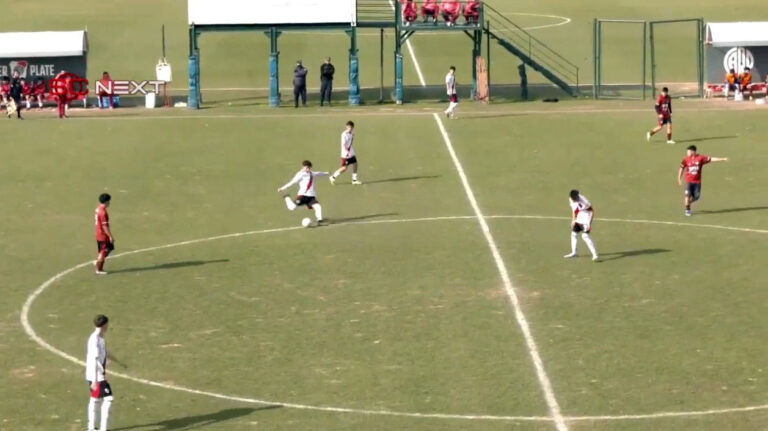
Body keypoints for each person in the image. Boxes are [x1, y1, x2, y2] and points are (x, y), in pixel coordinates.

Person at [85, 314, 120, 431]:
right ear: (105, 325)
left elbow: (103, 353)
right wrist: (95, 380)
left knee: (96, 399)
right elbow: (95, 359)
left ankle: (91, 427)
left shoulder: (99, 338)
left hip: (94, 375)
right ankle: (102, 429)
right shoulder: (95, 339)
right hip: (97, 376)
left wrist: (115, 360)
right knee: (108, 399)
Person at [677, 145, 728, 216]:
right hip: (688, 181)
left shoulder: (700, 158)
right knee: (687, 196)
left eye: (688, 151)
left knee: (696, 197)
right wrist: (679, 178)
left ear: (693, 151)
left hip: (697, 182)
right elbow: (681, 168)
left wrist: (722, 159)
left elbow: (711, 159)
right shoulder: (686, 159)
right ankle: (687, 209)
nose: (687, 153)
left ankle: (688, 203)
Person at [278, 160, 328, 225]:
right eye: (306, 167)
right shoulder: (300, 174)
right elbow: (292, 182)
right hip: (302, 196)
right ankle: (287, 197)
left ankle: (319, 221)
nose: (307, 169)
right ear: (303, 167)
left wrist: (327, 173)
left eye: (309, 168)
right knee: (292, 207)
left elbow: (318, 173)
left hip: (311, 197)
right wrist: (282, 188)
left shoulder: (311, 173)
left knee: (317, 206)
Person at [564, 190, 599, 261]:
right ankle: (574, 252)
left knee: (585, 236)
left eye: (576, 198)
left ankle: (595, 255)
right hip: (578, 218)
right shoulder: (570, 199)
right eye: (574, 199)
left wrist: (589, 223)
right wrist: (573, 220)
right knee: (574, 234)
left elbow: (591, 211)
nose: (575, 200)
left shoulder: (584, 201)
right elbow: (574, 210)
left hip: (586, 219)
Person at [330, 121, 362, 185]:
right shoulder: (344, 134)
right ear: (346, 127)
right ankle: (333, 177)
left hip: (351, 152)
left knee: (355, 164)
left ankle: (354, 180)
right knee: (344, 168)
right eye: (348, 127)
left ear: (353, 127)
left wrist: (351, 151)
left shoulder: (352, 133)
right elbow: (344, 145)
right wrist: (348, 152)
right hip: (346, 154)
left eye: (351, 127)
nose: (349, 128)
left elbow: (350, 142)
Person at [94, 193, 115, 275]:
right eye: (109, 201)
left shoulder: (98, 209)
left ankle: (98, 261)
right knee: (103, 251)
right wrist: (110, 236)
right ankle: (98, 269)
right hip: (103, 235)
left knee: (108, 249)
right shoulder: (103, 212)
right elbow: (105, 226)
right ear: (106, 202)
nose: (109, 203)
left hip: (98, 233)